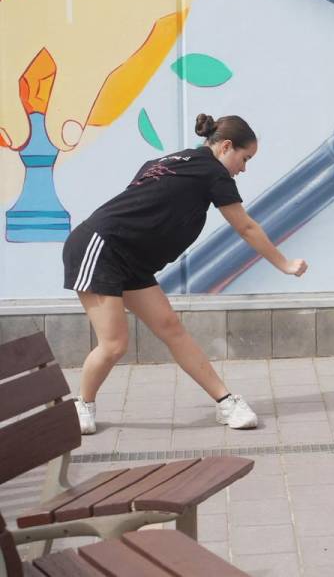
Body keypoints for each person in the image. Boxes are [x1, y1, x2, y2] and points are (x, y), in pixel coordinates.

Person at [65, 114, 308, 435]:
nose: (244, 168)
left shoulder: (174, 159)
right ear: (226, 147)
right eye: (245, 158)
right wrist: (285, 264)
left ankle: (226, 402)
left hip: (130, 257)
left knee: (171, 327)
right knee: (114, 344)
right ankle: (82, 405)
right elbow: (246, 227)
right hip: (101, 248)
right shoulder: (213, 172)